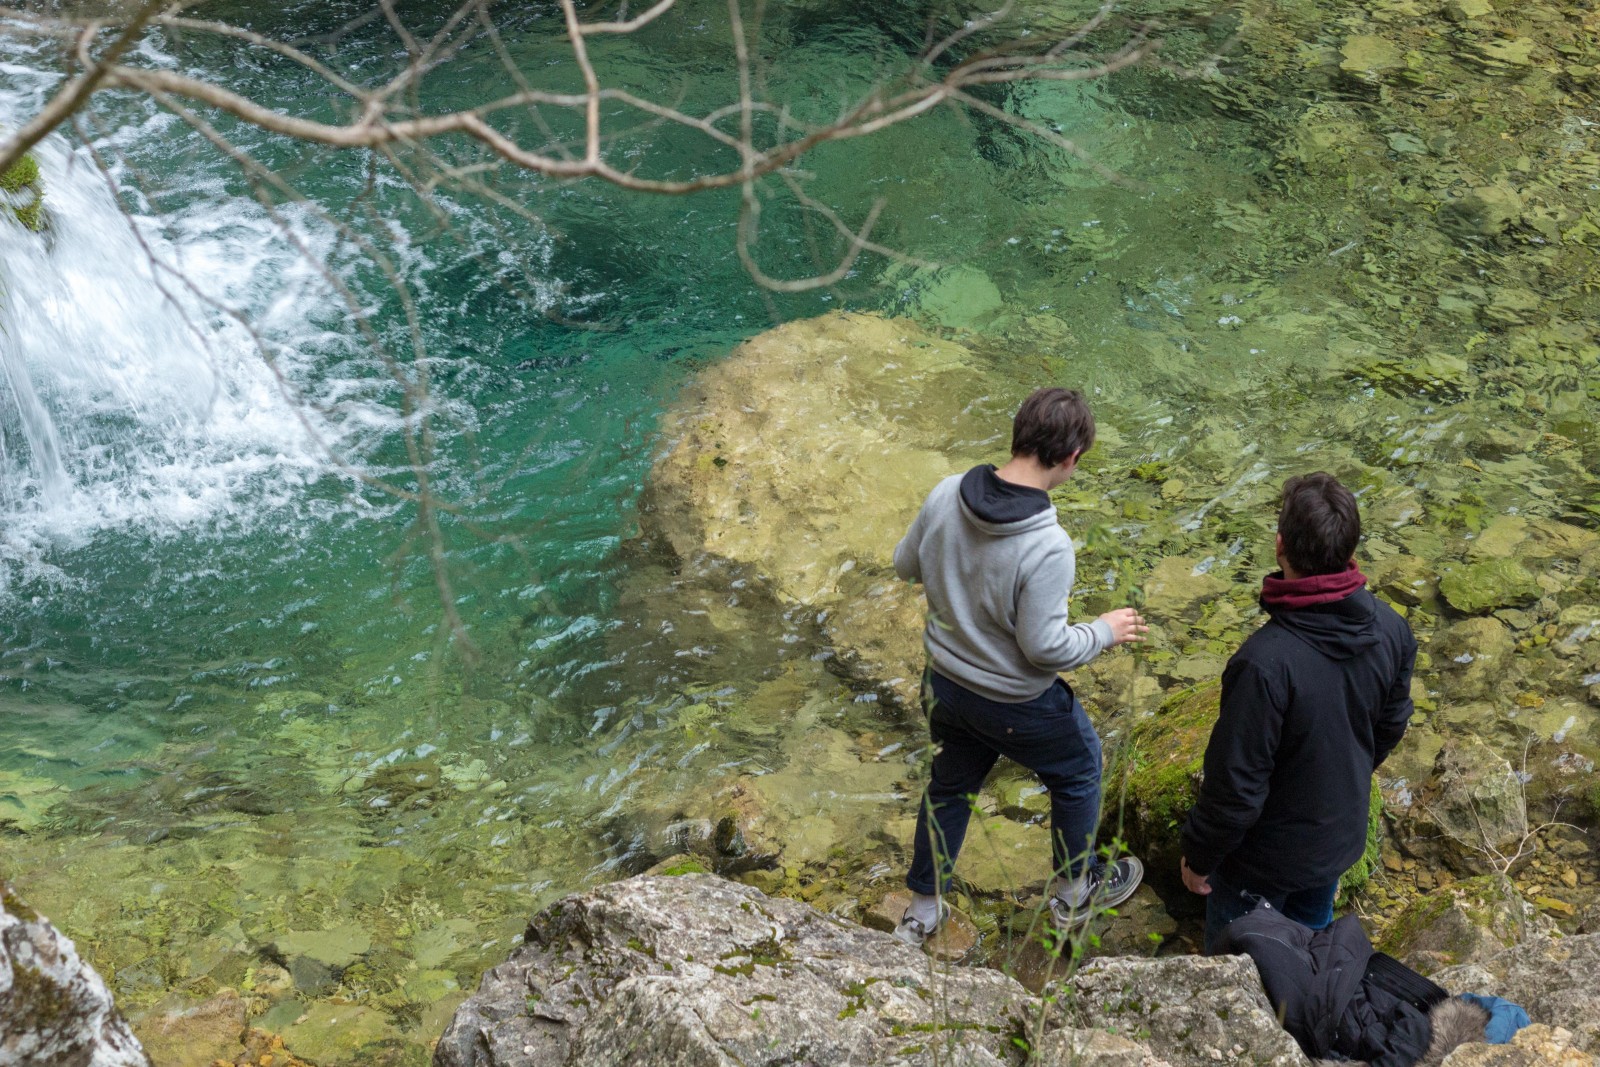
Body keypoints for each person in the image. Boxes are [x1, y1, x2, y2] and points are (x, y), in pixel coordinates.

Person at [891, 386, 1148, 946]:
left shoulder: (945, 492)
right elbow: (1045, 650)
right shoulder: (1048, 544)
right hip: (1016, 704)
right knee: (1080, 768)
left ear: (1018, 434)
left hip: (945, 687)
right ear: (1071, 458)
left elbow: (904, 563)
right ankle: (1075, 894)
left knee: (950, 789)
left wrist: (957, 582)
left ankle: (922, 911)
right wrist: (1104, 631)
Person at [1179, 472, 1417, 953]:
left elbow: (1235, 790)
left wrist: (1197, 857)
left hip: (1261, 862)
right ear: (1350, 547)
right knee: (1306, 955)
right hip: (1336, 841)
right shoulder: (1394, 629)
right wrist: (1342, 776)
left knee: (1234, 971)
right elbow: (1390, 726)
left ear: (1279, 545)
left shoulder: (1263, 664)